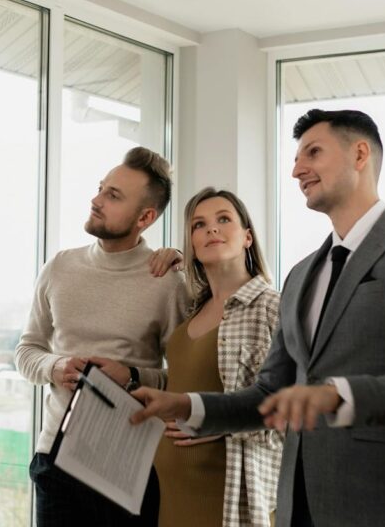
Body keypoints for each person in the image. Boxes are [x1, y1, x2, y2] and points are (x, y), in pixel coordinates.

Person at [131, 110, 385, 526]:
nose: (297, 170)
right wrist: (184, 404)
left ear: (360, 154)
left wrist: (334, 395)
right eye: (295, 158)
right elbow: (268, 394)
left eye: (313, 152)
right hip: (302, 504)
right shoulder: (301, 275)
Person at [15, 146, 191, 527]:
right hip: (56, 462)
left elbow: (183, 380)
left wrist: (131, 376)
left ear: (145, 217)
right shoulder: (60, 267)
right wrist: (56, 365)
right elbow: (26, 350)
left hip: (129, 468)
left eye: (113, 196)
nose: (96, 201)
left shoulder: (166, 282)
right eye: (100, 189)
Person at [151, 188, 282, 527]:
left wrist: (224, 422)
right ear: (191, 244)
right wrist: (131, 376)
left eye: (224, 219)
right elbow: (186, 382)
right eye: (199, 225)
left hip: (232, 500)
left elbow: (299, 409)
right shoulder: (190, 314)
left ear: (247, 237)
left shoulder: (272, 308)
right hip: (171, 498)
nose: (211, 229)